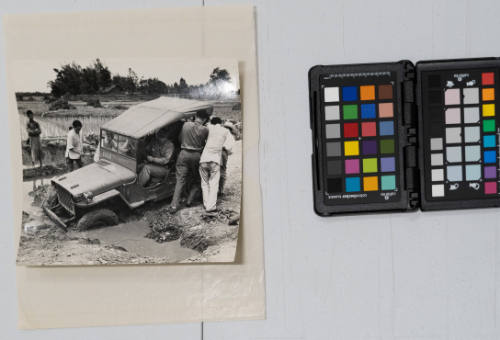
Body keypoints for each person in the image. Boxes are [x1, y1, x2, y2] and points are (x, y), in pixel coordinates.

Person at [169, 110, 209, 212]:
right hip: (196, 156)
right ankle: (189, 200)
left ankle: (174, 205)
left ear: (195, 116)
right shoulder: (205, 129)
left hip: (183, 154)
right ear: (204, 120)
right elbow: (204, 143)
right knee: (197, 178)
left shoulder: (186, 125)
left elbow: (179, 139)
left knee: (180, 180)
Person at [199, 117, 233, 212]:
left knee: (204, 183)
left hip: (203, 159)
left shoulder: (207, 128)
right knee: (213, 183)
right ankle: (211, 206)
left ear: (211, 122)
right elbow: (230, 146)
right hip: (215, 160)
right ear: (221, 123)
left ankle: (206, 204)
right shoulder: (225, 131)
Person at [218, 121, 236, 195]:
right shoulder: (230, 136)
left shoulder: (220, 132)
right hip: (224, 152)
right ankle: (221, 189)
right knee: (223, 170)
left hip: (216, 151)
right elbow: (230, 149)